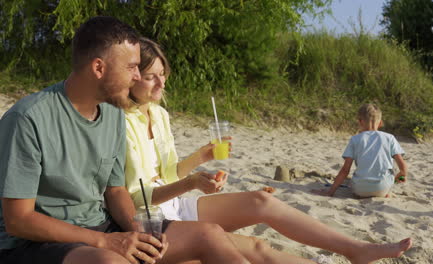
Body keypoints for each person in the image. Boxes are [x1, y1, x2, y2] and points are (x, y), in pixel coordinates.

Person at [124, 37, 413, 264]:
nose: (162, 83)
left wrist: (202, 157)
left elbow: (169, 172)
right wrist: (190, 183)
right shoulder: (121, 122)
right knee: (255, 247)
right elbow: (135, 195)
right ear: (133, 78)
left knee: (262, 200)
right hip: (148, 217)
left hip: (173, 204)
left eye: (164, 74)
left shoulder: (159, 114)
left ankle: (355, 249)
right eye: (152, 77)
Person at [0, 16, 259, 264]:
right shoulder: (28, 119)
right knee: (110, 261)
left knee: (209, 234)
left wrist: (138, 230)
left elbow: (115, 191)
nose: (137, 76)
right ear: (98, 67)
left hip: (100, 226)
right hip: (34, 242)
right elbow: (18, 220)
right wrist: (104, 241)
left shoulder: (113, 114)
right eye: (131, 67)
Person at [315, 103, 408, 198]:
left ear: (360, 121)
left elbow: (345, 170)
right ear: (380, 123)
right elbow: (403, 169)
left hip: (360, 190)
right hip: (383, 188)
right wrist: (398, 178)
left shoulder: (355, 139)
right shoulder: (390, 138)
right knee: (392, 173)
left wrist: (330, 192)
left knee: (353, 180)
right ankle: (386, 191)